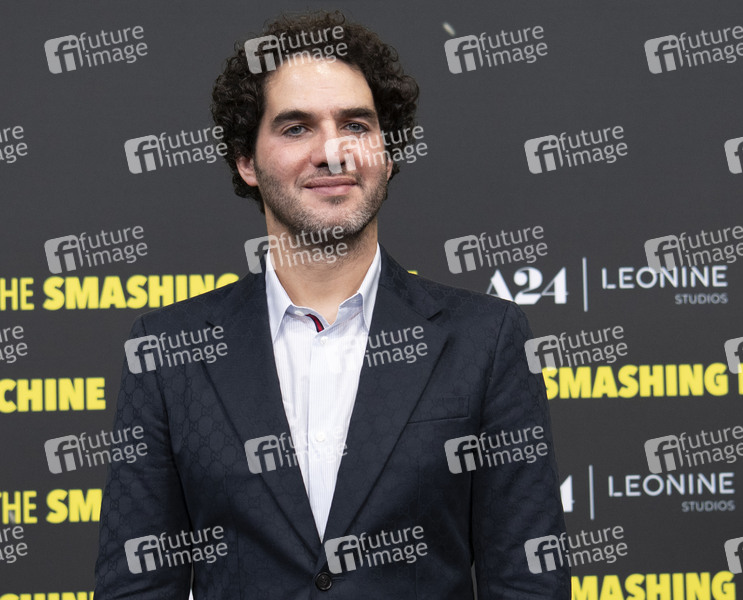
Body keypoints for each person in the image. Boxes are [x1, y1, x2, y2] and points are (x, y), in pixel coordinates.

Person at [95, 10, 569, 599]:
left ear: (387, 153)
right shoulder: (170, 352)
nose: (333, 152)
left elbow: (528, 582)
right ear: (246, 161)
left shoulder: (485, 340)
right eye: (296, 128)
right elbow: (136, 586)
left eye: (356, 125)